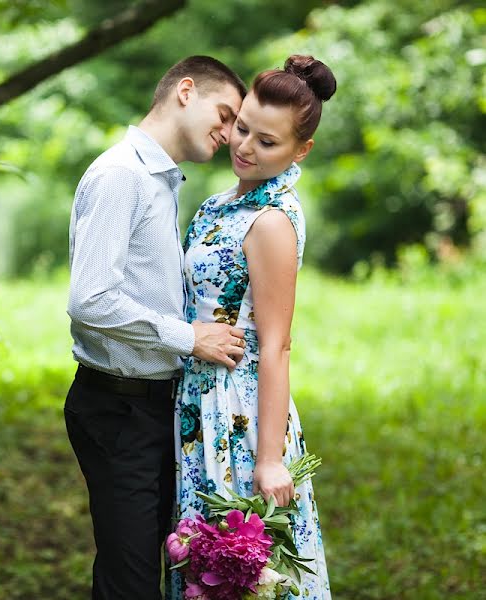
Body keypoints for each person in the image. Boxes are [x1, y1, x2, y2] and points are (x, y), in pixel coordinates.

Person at [65, 56, 249, 600]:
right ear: (185, 92)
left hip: (151, 404)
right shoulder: (122, 175)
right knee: (131, 583)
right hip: (117, 407)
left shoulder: (161, 180)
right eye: (225, 114)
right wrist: (188, 337)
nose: (230, 132)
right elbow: (90, 299)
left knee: (153, 574)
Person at [170, 55, 336, 599]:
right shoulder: (220, 204)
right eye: (242, 128)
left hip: (236, 414)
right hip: (195, 401)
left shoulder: (271, 221)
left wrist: (269, 459)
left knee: (240, 570)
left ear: (300, 150)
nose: (244, 147)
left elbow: (277, 344)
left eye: (267, 142)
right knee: (200, 566)